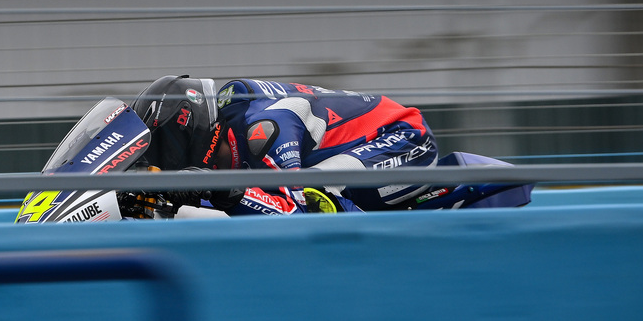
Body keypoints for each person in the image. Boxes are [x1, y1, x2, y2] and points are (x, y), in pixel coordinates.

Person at [131, 75, 438, 216]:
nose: (163, 164)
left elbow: (299, 214)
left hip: (403, 138)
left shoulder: (264, 130)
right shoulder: (235, 123)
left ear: (188, 133)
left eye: (163, 152)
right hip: (357, 147)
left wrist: (221, 190)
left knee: (317, 196)